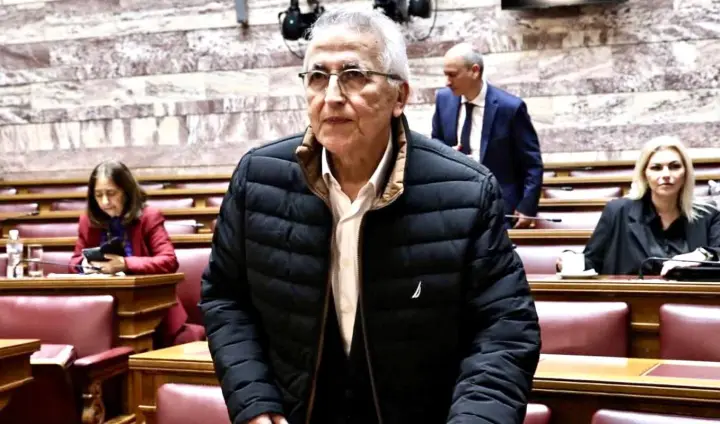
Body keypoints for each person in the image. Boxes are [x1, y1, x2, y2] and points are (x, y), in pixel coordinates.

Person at [200, 8, 540, 424]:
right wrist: (254, 402)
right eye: (317, 76)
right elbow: (226, 298)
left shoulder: (467, 190)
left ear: (399, 97)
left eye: (354, 75)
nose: (332, 96)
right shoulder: (257, 179)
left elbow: (504, 326)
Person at [69, 160, 192, 347]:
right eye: (98, 195)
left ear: (126, 192)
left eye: (111, 193)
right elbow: (74, 261)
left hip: (152, 310)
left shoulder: (149, 217)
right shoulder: (88, 221)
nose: (105, 202)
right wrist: (84, 265)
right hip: (101, 310)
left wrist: (125, 264)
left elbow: (168, 261)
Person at [557, 136, 720, 276]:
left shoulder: (709, 214)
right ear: (644, 174)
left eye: (674, 166)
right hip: (631, 300)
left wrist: (704, 255)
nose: (666, 174)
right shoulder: (618, 212)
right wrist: (568, 259)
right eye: (656, 168)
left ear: (686, 173)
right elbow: (591, 262)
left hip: (689, 301)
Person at [431, 43, 544, 229]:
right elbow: (436, 143)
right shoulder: (443, 99)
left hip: (499, 208)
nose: (447, 82)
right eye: (445, 74)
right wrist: (446, 154)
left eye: (452, 74)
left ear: (475, 71)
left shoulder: (511, 108)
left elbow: (532, 164)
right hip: (453, 205)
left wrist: (527, 206)